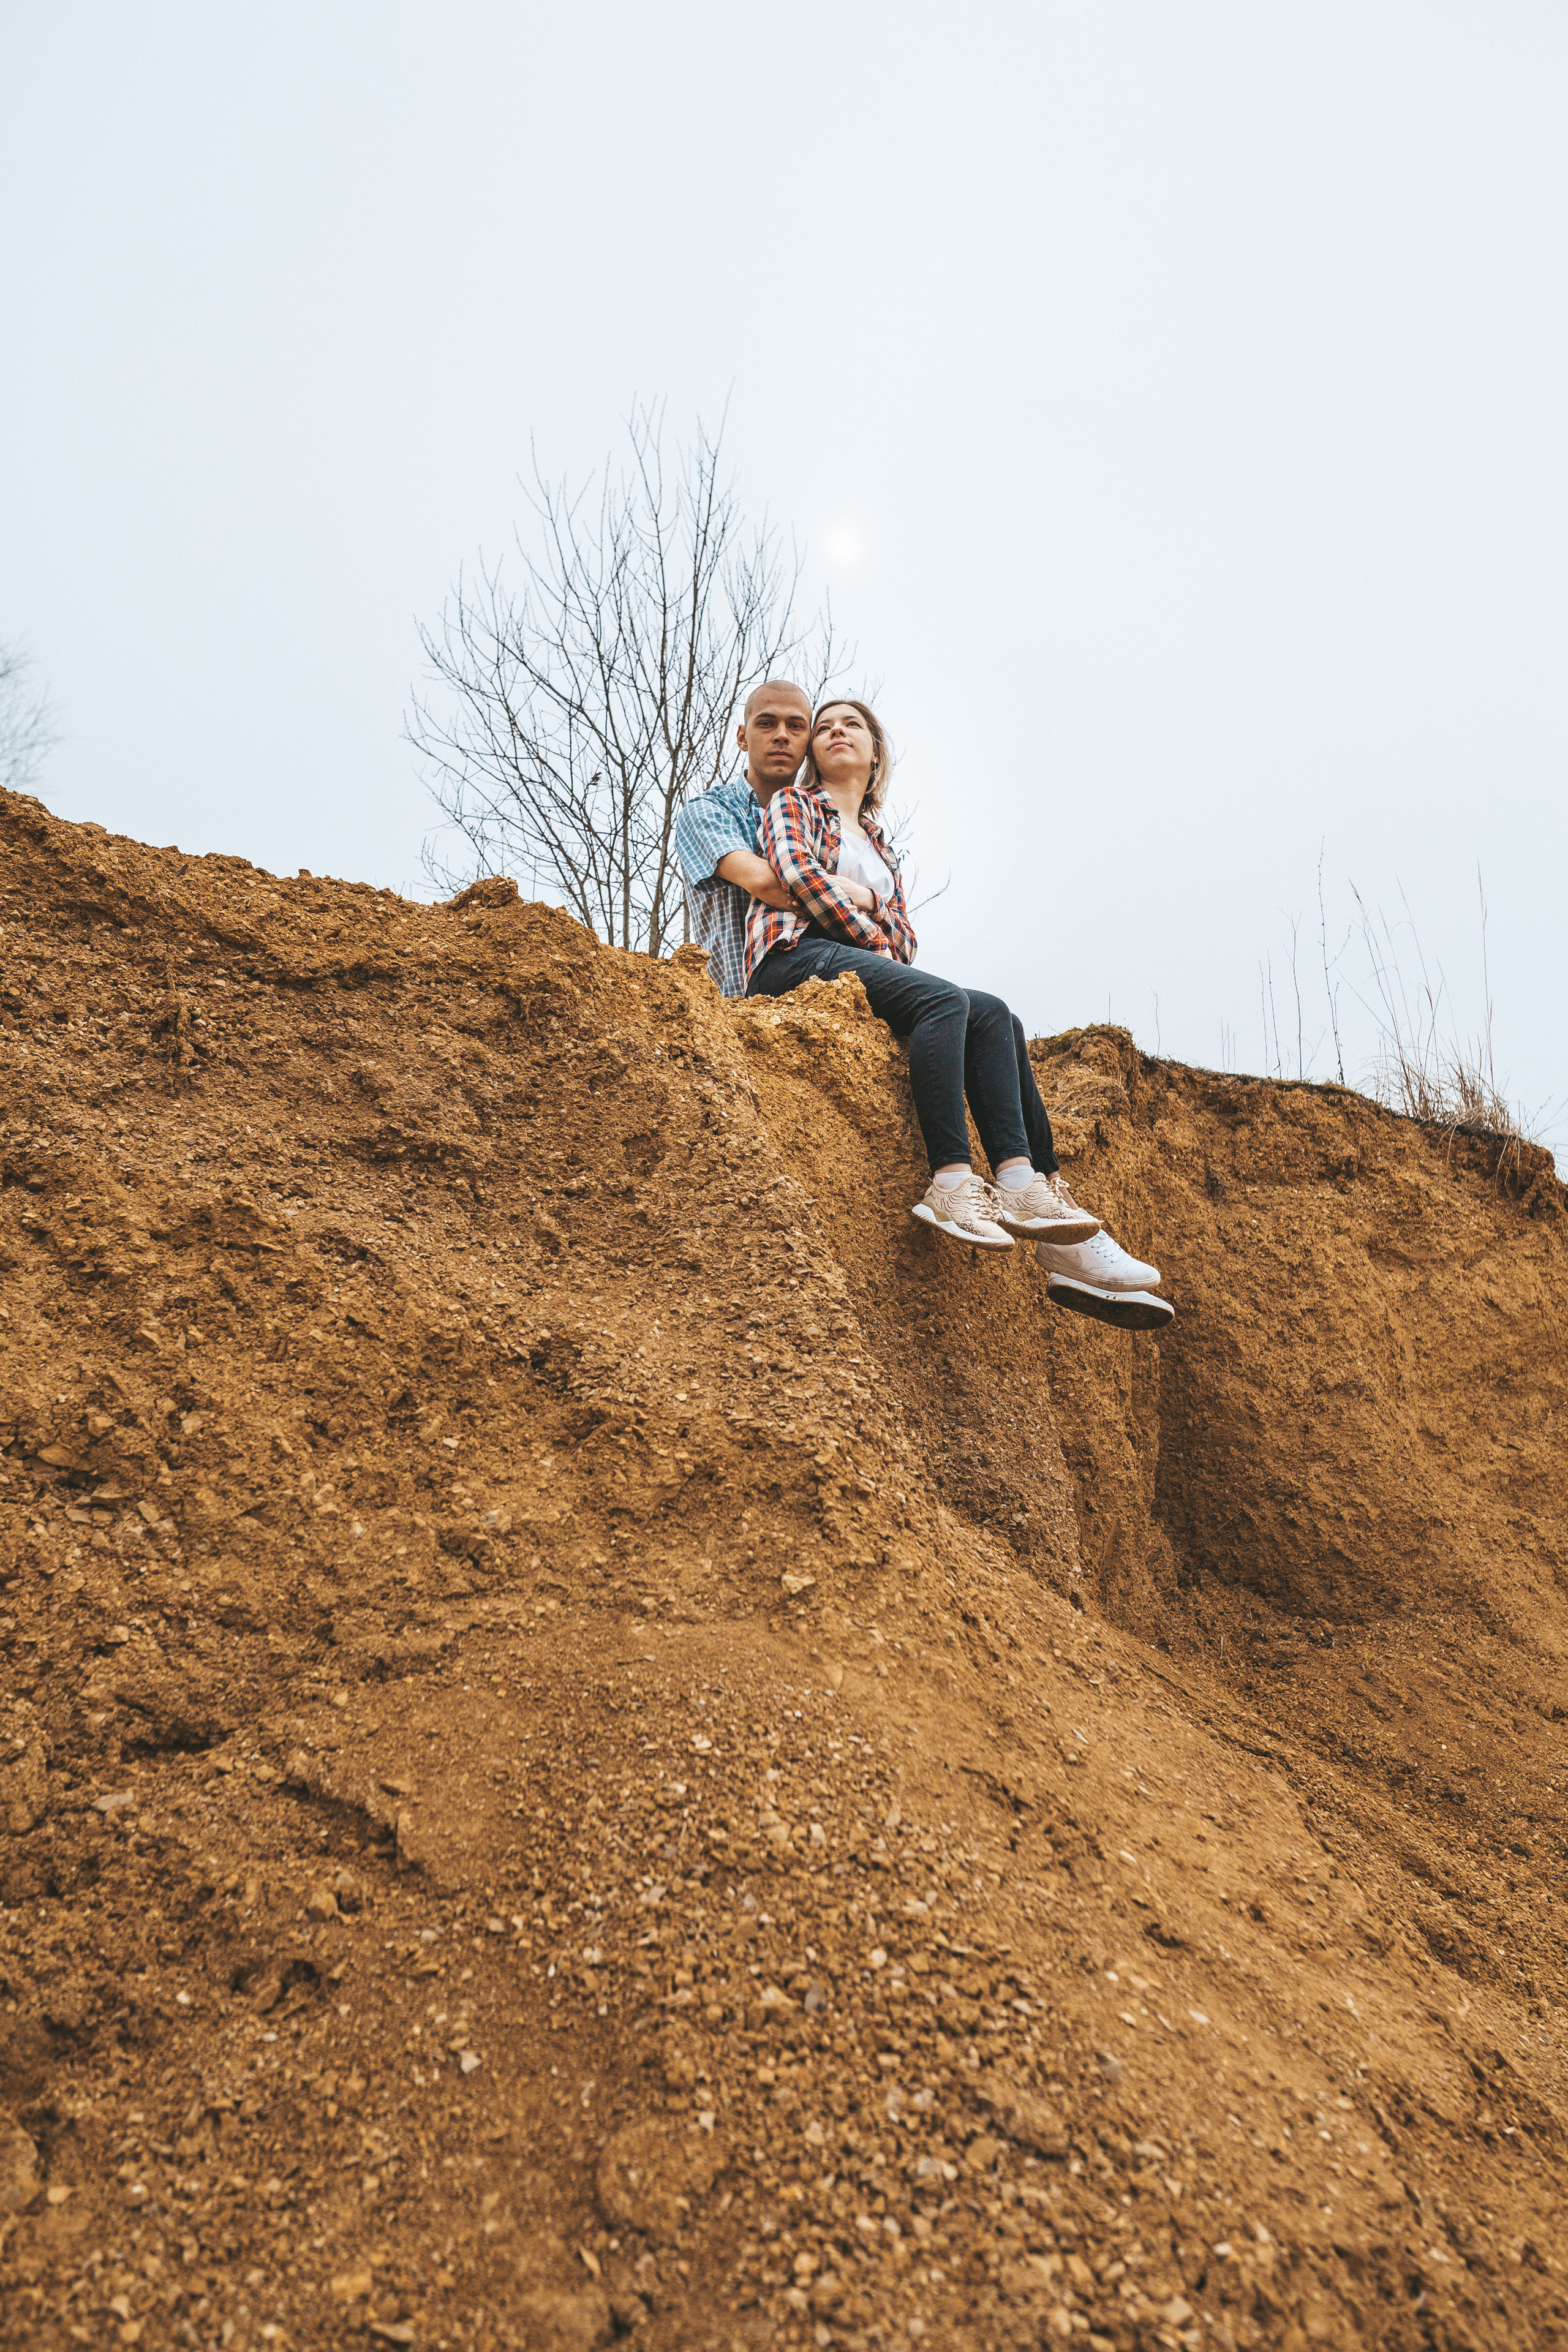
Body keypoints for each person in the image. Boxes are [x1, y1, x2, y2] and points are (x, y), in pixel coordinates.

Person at [742, 698, 1174, 1327]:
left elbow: (907, 937)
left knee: (995, 1013)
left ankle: (1039, 1204)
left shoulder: (881, 846)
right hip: (790, 959)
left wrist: (875, 927)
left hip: (847, 956)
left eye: (852, 724)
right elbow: (799, 877)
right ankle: (949, 1182)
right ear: (814, 753)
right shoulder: (795, 806)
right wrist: (872, 926)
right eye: (825, 726)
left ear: (875, 750)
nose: (835, 731)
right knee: (942, 997)